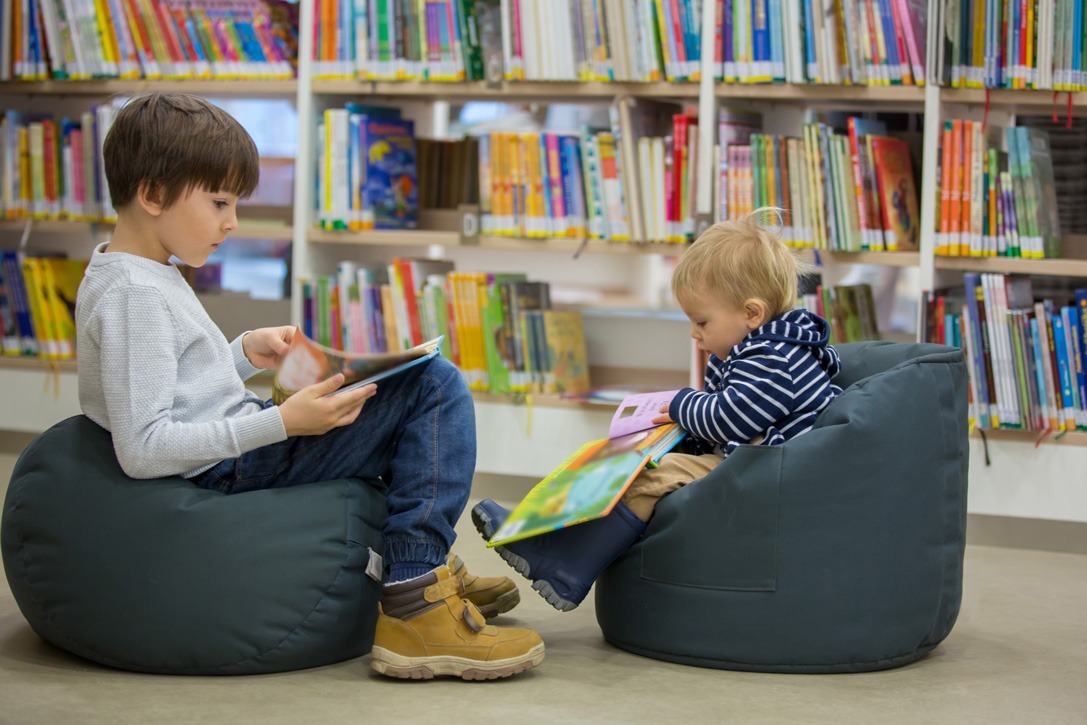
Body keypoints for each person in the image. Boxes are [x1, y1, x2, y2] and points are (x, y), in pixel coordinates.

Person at [74, 92, 542, 680]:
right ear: (152, 194)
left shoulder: (136, 272)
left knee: (395, 397)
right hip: (226, 468)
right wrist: (283, 423)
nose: (232, 222)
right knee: (434, 389)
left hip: (231, 449)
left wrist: (242, 353)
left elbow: (174, 386)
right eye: (219, 202)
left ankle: (422, 563)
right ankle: (416, 597)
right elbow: (142, 448)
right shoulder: (135, 294)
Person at [472, 208, 843, 611]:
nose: (693, 332)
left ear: (751, 314)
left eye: (701, 321)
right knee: (628, 461)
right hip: (749, 460)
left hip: (770, 473)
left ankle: (566, 565)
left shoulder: (775, 357)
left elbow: (730, 417)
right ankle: (540, 530)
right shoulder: (750, 346)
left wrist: (681, 404)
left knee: (651, 477)